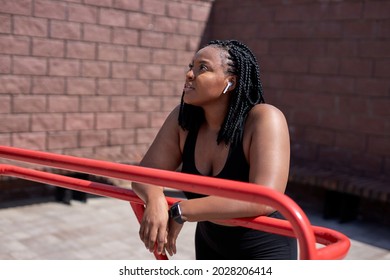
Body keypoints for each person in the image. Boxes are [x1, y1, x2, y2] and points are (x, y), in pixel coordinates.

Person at [131, 39, 297, 260]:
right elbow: (144, 174)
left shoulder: (264, 118)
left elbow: (266, 198)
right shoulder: (184, 119)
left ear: (230, 82)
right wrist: (155, 200)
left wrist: (181, 211)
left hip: (264, 247)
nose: (189, 74)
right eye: (191, 67)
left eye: (203, 68)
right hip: (210, 245)